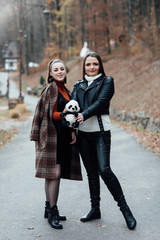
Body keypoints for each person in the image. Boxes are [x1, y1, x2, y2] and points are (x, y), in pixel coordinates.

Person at [72, 52, 137, 230]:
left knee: (104, 170)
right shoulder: (78, 84)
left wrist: (83, 114)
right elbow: (73, 105)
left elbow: (101, 103)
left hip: (101, 133)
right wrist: (68, 120)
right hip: (83, 135)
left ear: (100, 66)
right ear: (84, 67)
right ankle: (95, 209)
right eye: (88, 64)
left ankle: (126, 211)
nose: (91, 67)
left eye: (95, 64)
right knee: (91, 173)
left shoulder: (107, 82)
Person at [30, 59, 82, 230]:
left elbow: (71, 115)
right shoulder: (50, 89)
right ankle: (53, 211)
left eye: (62, 69)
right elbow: (49, 114)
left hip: (64, 137)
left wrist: (72, 131)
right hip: (52, 138)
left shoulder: (66, 91)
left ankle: (48, 208)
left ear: (65, 71)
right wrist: (64, 112)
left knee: (52, 174)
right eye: (56, 69)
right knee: (55, 174)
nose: (60, 71)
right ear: (50, 74)